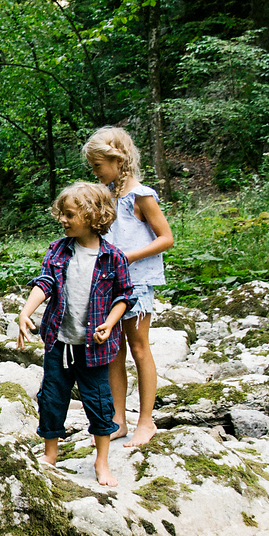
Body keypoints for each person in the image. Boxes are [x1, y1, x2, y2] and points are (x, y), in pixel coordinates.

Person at [16, 182, 134, 488]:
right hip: (59, 342)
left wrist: (109, 323)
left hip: (95, 348)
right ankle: (50, 454)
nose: (63, 220)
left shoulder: (114, 257)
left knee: (99, 402)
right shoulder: (57, 250)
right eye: (62, 214)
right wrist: (26, 311)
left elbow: (124, 296)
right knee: (52, 397)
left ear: (93, 216)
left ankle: (102, 461)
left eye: (69, 215)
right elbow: (46, 282)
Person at [82, 126, 174, 448]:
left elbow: (166, 238)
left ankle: (146, 421)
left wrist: (129, 256)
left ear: (117, 160)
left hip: (137, 283)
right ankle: (118, 419)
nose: (95, 172)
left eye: (97, 166)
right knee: (114, 350)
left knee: (139, 347)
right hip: (110, 284)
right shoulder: (106, 197)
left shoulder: (141, 196)